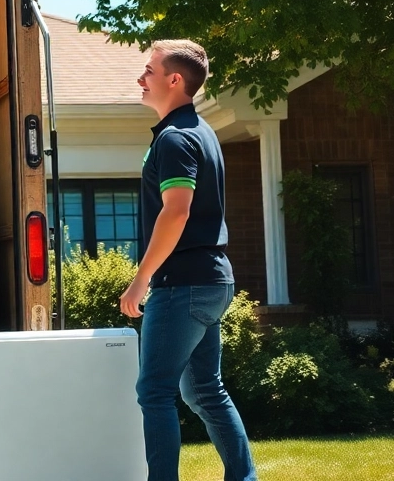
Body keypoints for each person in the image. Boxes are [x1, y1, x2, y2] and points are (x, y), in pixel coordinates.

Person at [120, 39, 256, 481]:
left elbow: (175, 212)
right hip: (212, 280)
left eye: (149, 71)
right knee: (205, 391)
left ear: (175, 80)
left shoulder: (177, 139)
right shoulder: (199, 132)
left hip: (183, 284)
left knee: (155, 392)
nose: (141, 79)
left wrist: (141, 279)